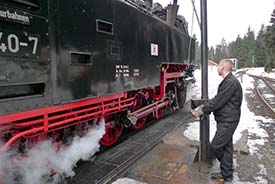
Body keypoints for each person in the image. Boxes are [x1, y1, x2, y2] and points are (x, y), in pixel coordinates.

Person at [191, 59, 243, 182]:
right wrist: (206, 106)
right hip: (226, 119)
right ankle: (227, 175)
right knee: (226, 147)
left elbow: (218, 101)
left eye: (219, 65)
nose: (217, 67)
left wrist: (202, 110)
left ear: (223, 68)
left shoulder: (230, 82)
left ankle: (226, 172)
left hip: (228, 121)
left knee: (215, 146)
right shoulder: (228, 81)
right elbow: (219, 99)